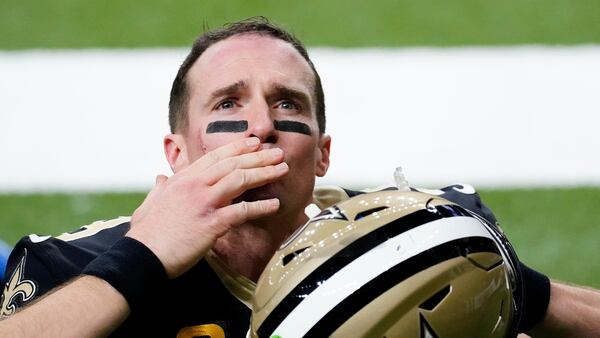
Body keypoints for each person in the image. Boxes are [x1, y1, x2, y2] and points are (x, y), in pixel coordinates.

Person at [0, 17, 599, 338]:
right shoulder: (72, 269)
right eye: (228, 107)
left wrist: (516, 292)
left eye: (288, 106)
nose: (261, 125)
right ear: (177, 155)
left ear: (323, 156)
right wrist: (140, 262)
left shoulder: (425, 242)